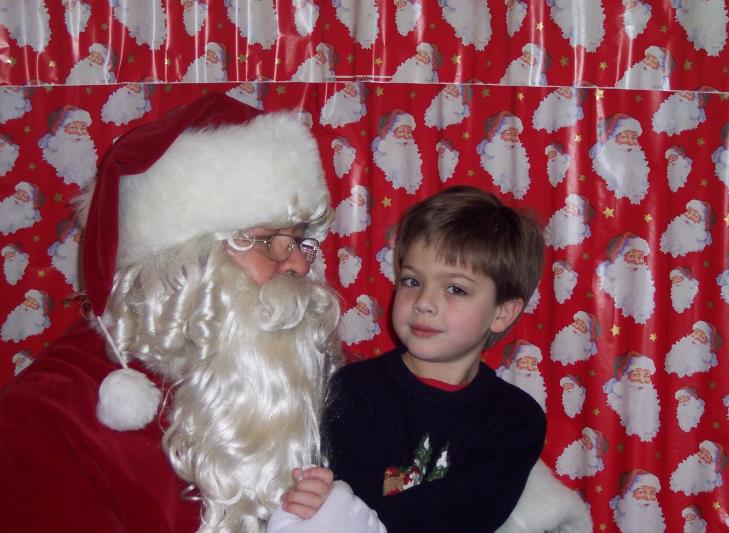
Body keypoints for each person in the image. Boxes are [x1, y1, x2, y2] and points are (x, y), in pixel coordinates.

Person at [0, 93, 381, 532]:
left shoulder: (319, 374)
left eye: (299, 241)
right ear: (183, 261)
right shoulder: (52, 415)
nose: (297, 264)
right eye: (270, 241)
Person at [319, 186, 548, 532]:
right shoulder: (353, 391)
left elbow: (463, 516)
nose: (423, 302)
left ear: (502, 313)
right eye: (412, 281)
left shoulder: (516, 419)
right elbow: (351, 511)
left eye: (455, 289)